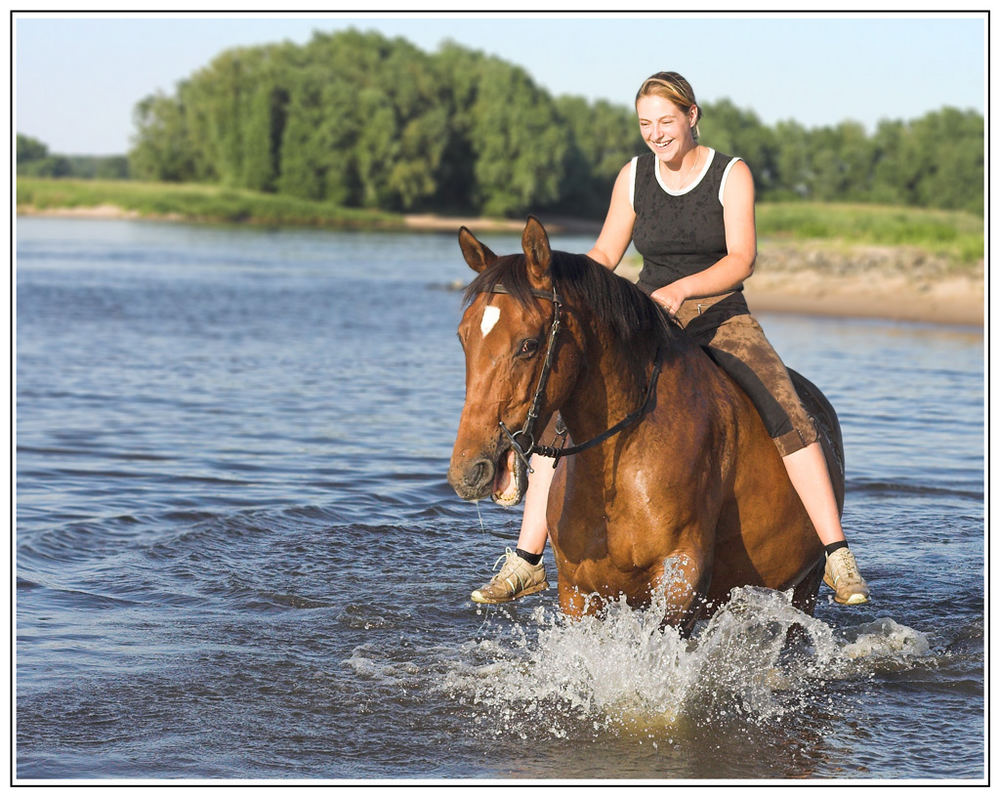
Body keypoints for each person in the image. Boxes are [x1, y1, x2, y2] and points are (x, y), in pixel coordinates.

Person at [471, 71, 871, 608]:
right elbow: (604, 257)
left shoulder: (731, 174)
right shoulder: (633, 176)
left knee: (787, 409)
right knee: (558, 411)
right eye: (645, 124)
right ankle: (526, 560)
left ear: (692, 116)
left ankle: (836, 553)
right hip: (645, 315)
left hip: (720, 315)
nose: (656, 133)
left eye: (665, 121)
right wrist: (546, 285)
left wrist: (683, 289)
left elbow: (741, 260)